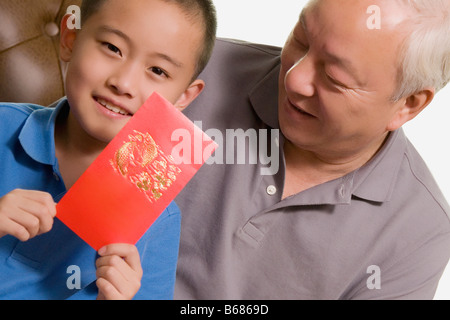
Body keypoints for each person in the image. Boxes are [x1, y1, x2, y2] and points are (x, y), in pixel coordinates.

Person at [174, 0, 450, 299]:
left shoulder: (418, 234)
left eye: (334, 77)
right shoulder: (188, 72)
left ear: (408, 104)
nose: (294, 78)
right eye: (301, 39)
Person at [0, 0, 216, 300]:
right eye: (113, 48)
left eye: (157, 70)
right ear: (70, 39)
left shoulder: (160, 221)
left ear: (182, 98)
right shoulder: (3, 126)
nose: (123, 83)